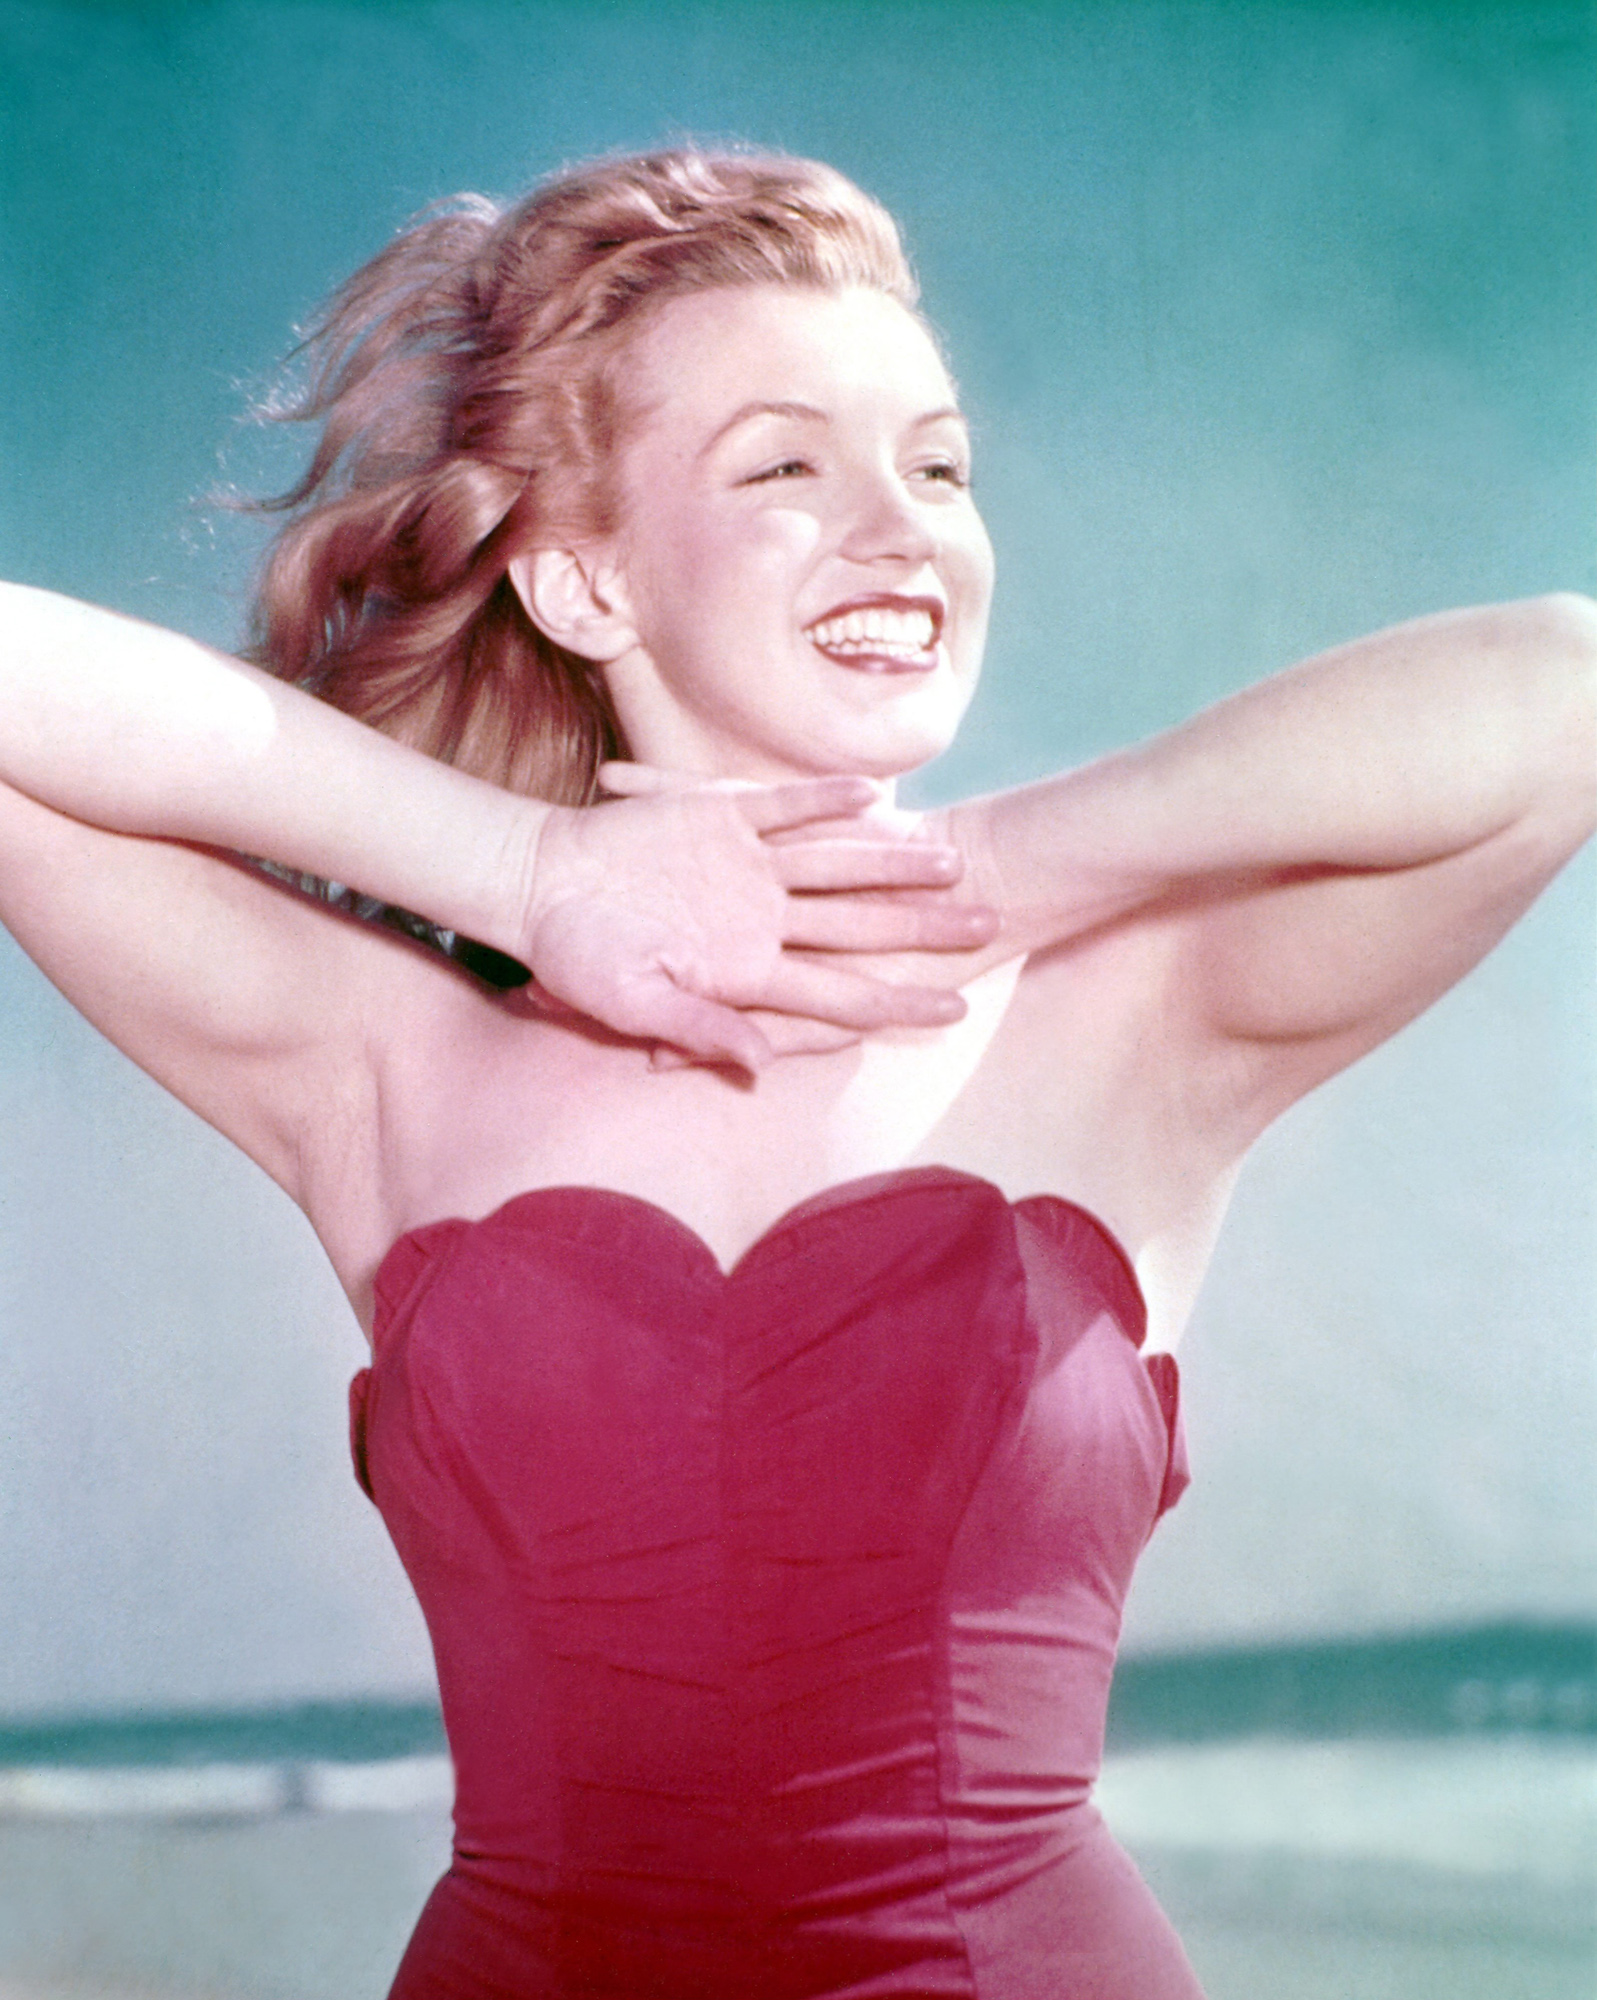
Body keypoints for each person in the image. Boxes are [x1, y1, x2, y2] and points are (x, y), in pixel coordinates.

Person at [0, 148, 1590, 1999]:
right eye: (784, 468)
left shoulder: (1134, 1022)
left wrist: (999, 871)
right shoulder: (386, 1059)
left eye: (939, 467)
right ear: (584, 581)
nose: (901, 531)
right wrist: (523, 873)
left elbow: (1560, 686)